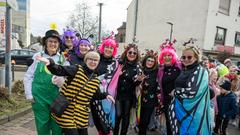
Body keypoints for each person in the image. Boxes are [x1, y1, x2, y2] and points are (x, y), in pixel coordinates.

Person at [36, 51, 115, 135]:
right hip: (67, 112)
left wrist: (106, 95)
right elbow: (60, 70)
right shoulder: (76, 69)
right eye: (90, 59)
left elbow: (95, 94)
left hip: (82, 115)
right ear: (86, 60)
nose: (93, 62)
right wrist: (51, 64)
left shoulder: (95, 79)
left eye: (95, 60)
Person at [24, 29, 69, 135]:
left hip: (57, 98)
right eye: (50, 41)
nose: (53, 44)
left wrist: (63, 80)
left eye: (55, 42)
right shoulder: (37, 56)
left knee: (57, 125)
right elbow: (28, 76)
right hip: (39, 98)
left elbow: (68, 78)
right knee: (42, 125)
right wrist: (29, 94)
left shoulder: (63, 59)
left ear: (58, 44)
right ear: (45, 42)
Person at [168, 44, 211, 134]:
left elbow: (193, 91)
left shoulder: (201, 71)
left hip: (193, 114)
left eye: (189, 57)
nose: (186, 59)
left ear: (196, 58)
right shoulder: (185, 69)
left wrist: (176, 92)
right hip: (181, 110)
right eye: (183, 57)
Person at [91, 36, 120, 135]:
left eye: (111, 47)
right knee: (97, 121)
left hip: (108, 96)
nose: (108, 49)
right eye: (107, 46)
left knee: (106, 122)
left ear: (114, 50)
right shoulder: (96, 58)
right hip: (94, 94)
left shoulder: (116, 63)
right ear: (103, 47)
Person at [114, 44, 144, 135]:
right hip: (118, 94)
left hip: (129, 95)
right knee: (118, 115)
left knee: (126, 116)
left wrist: (138, 81)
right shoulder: (120, 63)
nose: (132, 54)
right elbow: (112, 77)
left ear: (137, 54)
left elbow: (135, 83)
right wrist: (117, 75)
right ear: (126, 53)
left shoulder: (138, 66)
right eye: (130, 52)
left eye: (134, 53)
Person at [157, 39, 181, 135]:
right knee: (169, 122)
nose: (167, 57)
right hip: (167, 100)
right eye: (165, 55)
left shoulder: (179, 67)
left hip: (179, 100)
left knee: (178, 122)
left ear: (173, 56)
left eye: (169, 55)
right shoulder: (161, 70)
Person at [137, 50, 159, 135]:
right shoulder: (140, 70)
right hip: (139, 100)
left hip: (151, 101)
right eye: (148, 60)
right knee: (139, 121)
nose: (150, 62)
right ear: (145, 60)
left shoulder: (157, 72)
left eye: (152, 61)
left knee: (145, 121)